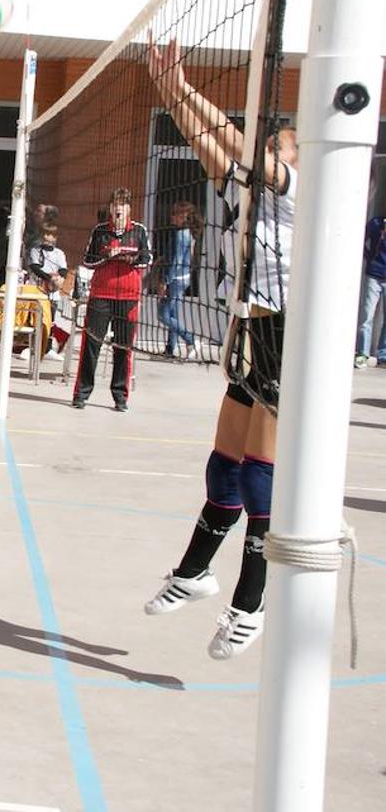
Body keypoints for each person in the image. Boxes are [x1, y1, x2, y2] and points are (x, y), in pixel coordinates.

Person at [142, 36, 298, 659]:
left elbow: (233, 138)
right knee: (223, 462)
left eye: (273, 145)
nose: (263, 151)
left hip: (290, 335)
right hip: (251, 332)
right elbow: (210, 140)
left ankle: (250, 605)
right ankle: (194, 574)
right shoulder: (243, 193)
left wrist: (186, 83)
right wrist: (170, 89)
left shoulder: (296, 185)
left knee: (261, 477)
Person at [71, 187, 152, 412]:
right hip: (101, 295)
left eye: (123, 205)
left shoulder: (138, 231)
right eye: (115, 205)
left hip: (128, 296)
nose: (118, 209)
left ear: (128, 209)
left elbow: (147, 259)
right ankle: (81, 394)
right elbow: (88, 260)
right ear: (110, 208)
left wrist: (129, 259)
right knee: (91, 344)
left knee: (123, 348)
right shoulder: (99, 232)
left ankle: (120, 397)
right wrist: (105, 258)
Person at [156, 201, 202, 360]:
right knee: (172, 314)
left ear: (184, 217)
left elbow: (176, 261)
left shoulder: (181, 235)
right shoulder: (186, 233)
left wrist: (165, 282)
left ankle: (190, 340)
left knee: (163, 314)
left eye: (175, 214)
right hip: (182, 278)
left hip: (176, 280)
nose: (171, 217)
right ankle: (170, 349)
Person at [27, 223, 71, 360]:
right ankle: (30, 347)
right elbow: (34, 267)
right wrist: (48, 278)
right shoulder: (36, 251)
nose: (47, 237)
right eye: (45, 234)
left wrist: (59, 279)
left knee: (50, 320)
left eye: (51, 234)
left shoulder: (59, 253)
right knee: (34, 319)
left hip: (53, 292)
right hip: (38, 289)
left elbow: (63, 269)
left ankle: (48, 348)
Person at [354, 206, 386, 369]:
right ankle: (362, 353)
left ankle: (383, 354)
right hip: (374, 274)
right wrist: (369, 257)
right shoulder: (376, 223)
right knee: (367, 315)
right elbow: (362, 239)